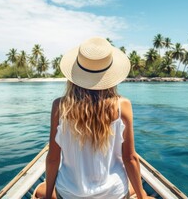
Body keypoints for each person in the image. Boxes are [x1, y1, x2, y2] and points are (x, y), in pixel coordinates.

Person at [33, 37, 151, 199]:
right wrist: (142, 196)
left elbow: (53, 159)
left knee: (41, 189)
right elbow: (130, 158)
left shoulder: (59, 106)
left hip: (71, 194)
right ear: (110, 74)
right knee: (137, 189)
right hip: (112, 194)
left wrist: (47, 196)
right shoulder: (122, 105)